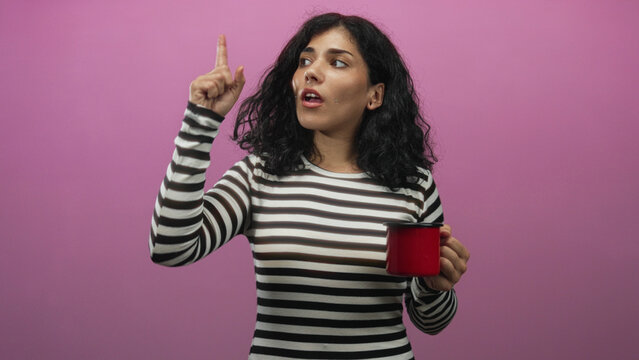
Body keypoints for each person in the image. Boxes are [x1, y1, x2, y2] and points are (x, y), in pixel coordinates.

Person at [150, 12, 470, 360]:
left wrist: (433, 287)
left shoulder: (413, 185)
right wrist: (200, 122)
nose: (311, 72)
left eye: (337, 62)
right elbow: (170, 247)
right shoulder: (260, 173)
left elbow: (432, 322)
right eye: (305, 60)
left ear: (374, 96)